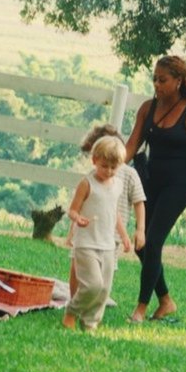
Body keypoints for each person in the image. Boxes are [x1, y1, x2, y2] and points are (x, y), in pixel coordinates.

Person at [123, 54, 186, 324]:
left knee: (152, 241)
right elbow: (131, 146)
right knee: (141, 245)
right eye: (154, 79)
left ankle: (141, 308)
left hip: (179, 185)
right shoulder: (147, 108)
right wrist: (110, 164)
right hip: (149, 181)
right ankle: (165, 301)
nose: (157, 85)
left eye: (162, 80)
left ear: (178, 81)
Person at [62, 135, 133, 332]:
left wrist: (124, 236)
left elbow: (115, 212)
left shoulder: (117, 184)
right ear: (94, 160)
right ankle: (71, 312)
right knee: (92, 284)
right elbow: (73, 209)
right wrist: (78, 219)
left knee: (103, 290)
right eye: (104, 166)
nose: (109, 171)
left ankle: (90, 322)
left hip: (108, 244)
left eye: (113, 167)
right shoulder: (87, 183)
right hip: (86, 243)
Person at [68, 124, 146, 296]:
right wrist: (72, 230)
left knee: (102, 275)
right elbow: (79, 205)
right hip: (86, 234)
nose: (108, 169)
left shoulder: (129, 174)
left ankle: (93, 301)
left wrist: (139, 230)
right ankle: (73, 301)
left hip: (111, 236)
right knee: (77, 265)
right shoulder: (94, 175)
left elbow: (139, 201)